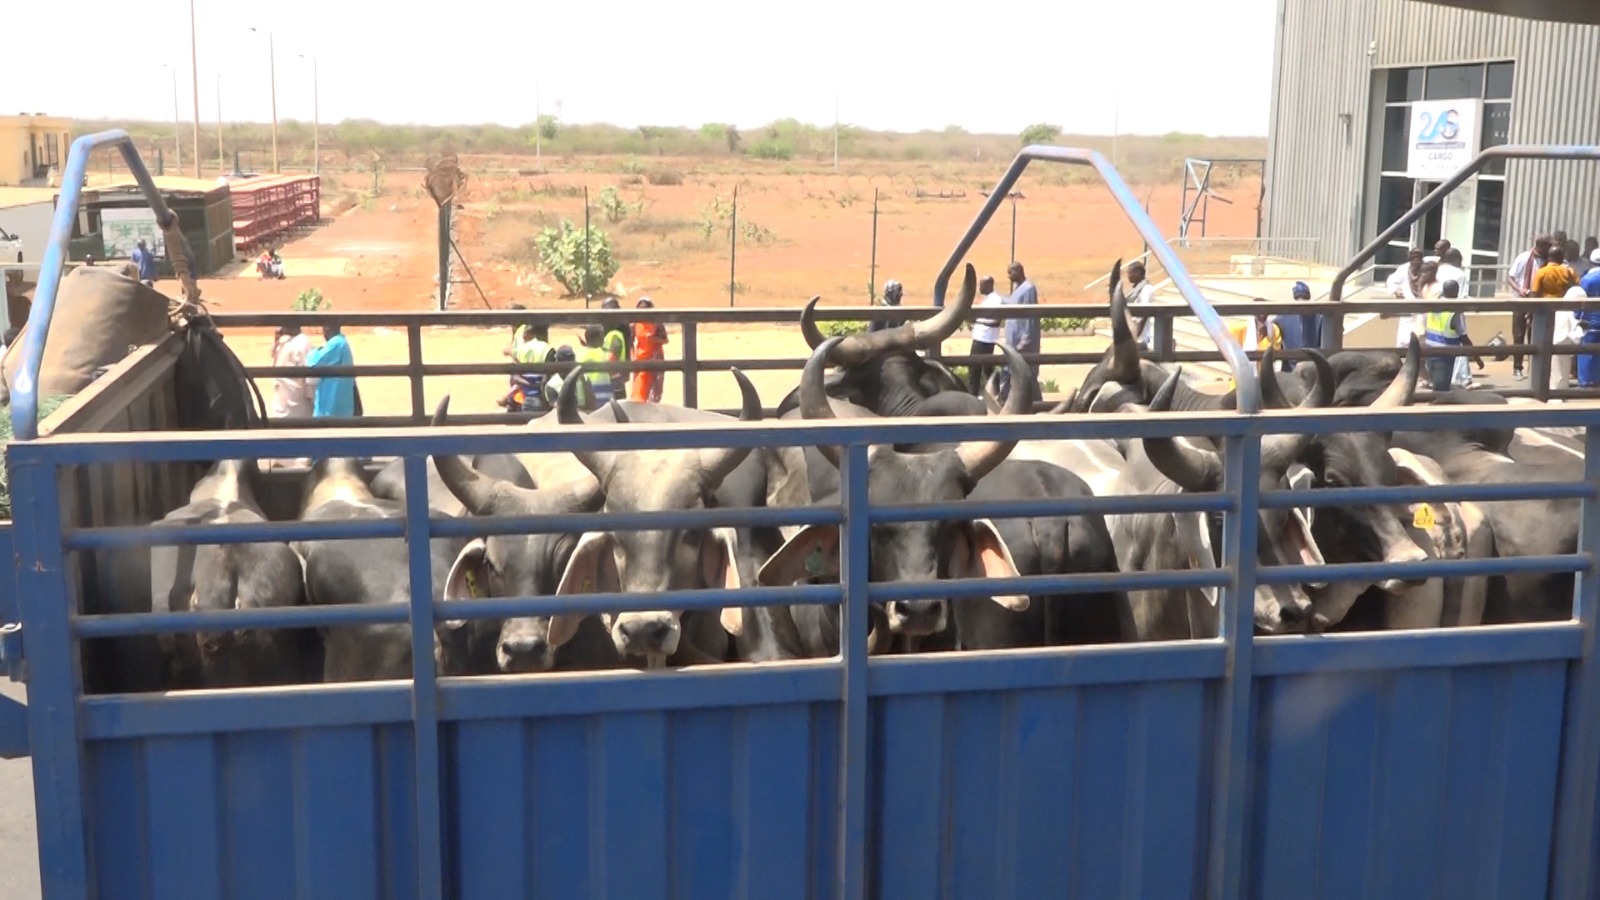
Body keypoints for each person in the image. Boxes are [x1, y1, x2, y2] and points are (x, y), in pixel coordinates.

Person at [1508, 234, 1554, 380]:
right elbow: (1510, 277)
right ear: (1541, 246)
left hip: (1539, 302)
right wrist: (1520, 289)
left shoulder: (1550, 261)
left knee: (1536, 336)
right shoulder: (1524, 258)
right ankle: (1517, 368)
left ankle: (1534, 369)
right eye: (1548, 246)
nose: (1550, 248)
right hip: (1521, 300)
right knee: (1519, 335)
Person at [995, 262, 1039, 403]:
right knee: (1012, 372)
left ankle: (1036, 404)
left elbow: (1030, 314)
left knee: (1026, 374)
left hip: (1022, 342)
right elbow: (1013, 304)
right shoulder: (1018, 289)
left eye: (1010, 273)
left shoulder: (1028, 289)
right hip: (1013, 341)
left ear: (1019, 271)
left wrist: (1025, 339)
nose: (1009, 276)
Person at [1423, 281, 1468, 392]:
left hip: (1429, 350)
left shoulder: (1433, 305)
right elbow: (1463, 337)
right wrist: (1477, 356)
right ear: (1456, 292)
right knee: (1441, 388)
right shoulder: (1455, 311)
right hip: (1445, 354)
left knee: (1435, 383)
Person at [503, 318, 555, 413]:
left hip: (525, 397)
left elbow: (516, 369)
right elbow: (550, 377)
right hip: (541, 398)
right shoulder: (549, 349)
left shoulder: (523, 348)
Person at [306, 322, 356, 418]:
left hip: (331, 406)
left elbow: (315, 362)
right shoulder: (341, 342)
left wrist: (313, 352)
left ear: (327, 328)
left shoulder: (336, 343)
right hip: (339, 406)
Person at [1271, 280, 1322, 372]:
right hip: (1292, 367)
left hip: (1313, 366)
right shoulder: (1283, 318)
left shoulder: (1319, 317)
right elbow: (1272, 331)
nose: (1301, 301)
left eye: (1304, 298)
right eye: (1298, 298)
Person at [967, 275, 1005, 394]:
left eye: (981, 284)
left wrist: (977, 320)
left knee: (975, 368)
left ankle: (974, 394)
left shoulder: (996, 300)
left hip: (985, 339)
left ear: (989, 285)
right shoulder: (988, 299)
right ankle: (994, 392)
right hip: (982, 337)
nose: (979, 287)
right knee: (986, 368)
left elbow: (996, 321)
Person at [630, 297, 669, 402]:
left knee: (655, 392)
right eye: (640, 308)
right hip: (640, 360)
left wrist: (654, 339)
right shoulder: (635, 324)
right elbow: (630, 341)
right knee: (639, 391)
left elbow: (665, 340)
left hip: (656, 359)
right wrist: (632, 355)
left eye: (645, 308)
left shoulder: (657, 324)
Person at [270, 324, 313, 419]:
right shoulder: (284, 341)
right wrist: (276, 341)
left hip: (297, 407)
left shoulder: (303, 342)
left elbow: (309, 376)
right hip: (282, 404)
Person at [576, 324, 616, 408]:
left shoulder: (579, 356)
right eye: (602, 336)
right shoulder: (608, 355)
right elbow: (615, 378)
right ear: (598, 338)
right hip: (606, 402)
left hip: (586, 401)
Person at [597, 297, 630, 398]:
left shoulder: (615, 332)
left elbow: (614, 354)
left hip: (613, 374)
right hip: (618, 372)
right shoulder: (617, 327)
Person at [1123, 261, 1159, 350]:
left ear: (1138, 273)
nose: (1128, 275)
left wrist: (1136, 335)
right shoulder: (1135, 290)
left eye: (1130, 272)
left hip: (1143, 337)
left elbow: (1144, 313)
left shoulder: (1147, 289)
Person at [1579, 251, 1600, 388]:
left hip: (1590, 321)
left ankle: (1586, 382)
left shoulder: (1587, 279)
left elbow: (1581, 301)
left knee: (1586, 351)